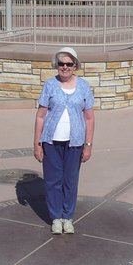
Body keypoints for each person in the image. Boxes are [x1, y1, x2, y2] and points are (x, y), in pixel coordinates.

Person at [33, 47, 95, 235]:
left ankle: (67, 217)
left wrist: (88, 145)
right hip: (51, 142)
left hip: (75, 142)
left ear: (75, 65)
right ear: (57, 65)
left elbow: (90, 118)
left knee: (70, 180)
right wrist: (37, 143)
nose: (65, 67)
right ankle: (56, 218)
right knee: (52, 181)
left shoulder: (84, 86)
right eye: (61, 64)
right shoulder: (50, 85)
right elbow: (41, 116)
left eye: (69, 64)